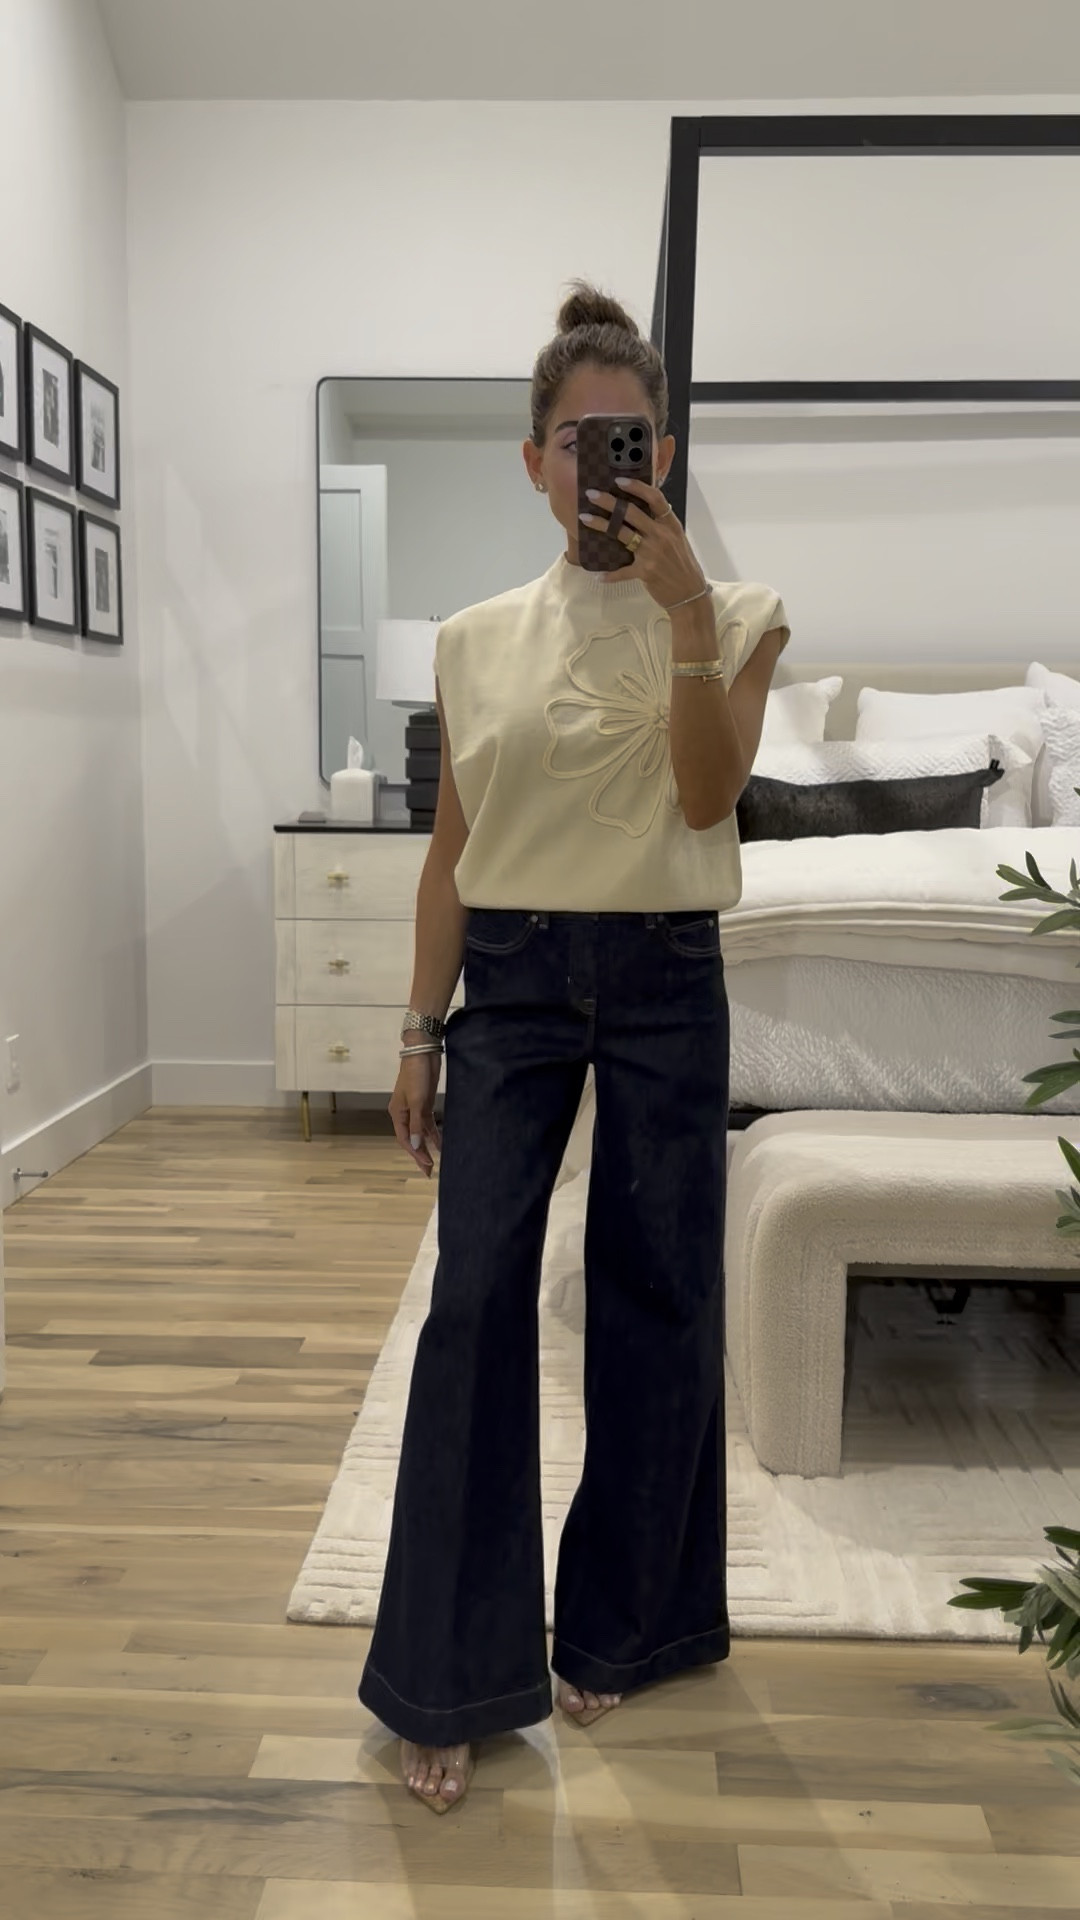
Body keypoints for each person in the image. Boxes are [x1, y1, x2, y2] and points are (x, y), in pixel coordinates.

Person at [358, 280, 791, 1813]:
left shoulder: (739, 613)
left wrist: (685, 615)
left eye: (635, 439)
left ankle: (628, 1622)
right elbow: (449, 854)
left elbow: (704, 800)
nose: (610, 463)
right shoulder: (473, 640)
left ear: (661, 455)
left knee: (658, 1295)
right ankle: (446, 1673)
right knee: (473, 1300)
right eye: (580, 439)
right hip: (516, 978)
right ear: (536, 459)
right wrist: (418, 1030)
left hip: (669, 968)